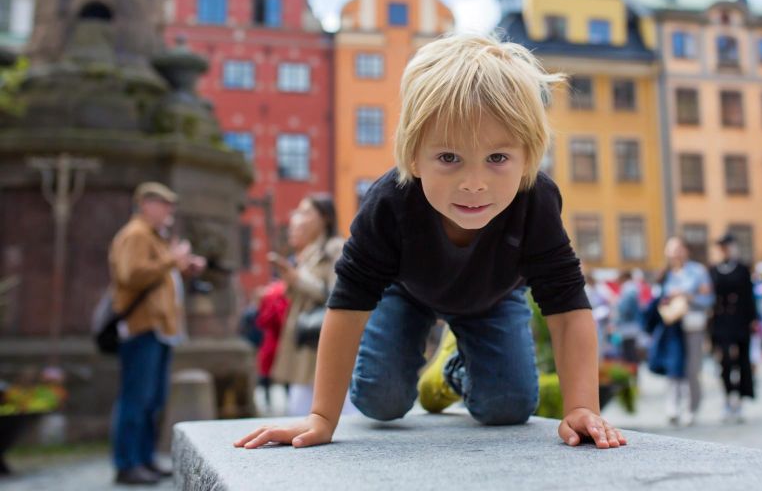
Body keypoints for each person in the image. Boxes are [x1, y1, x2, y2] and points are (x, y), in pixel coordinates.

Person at [235, 33, 626, 451]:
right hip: (405, 292)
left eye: (497, 158)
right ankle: (417, 362)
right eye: (449, 158)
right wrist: (322, 417)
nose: (474, 183)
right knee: (378, 402)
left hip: (494, 297)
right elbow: (347, 304)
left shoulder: (536, 199)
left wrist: (583, 407)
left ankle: (451, 368)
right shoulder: (388, 202)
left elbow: (567, 306)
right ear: (414, 155)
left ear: (528, 157)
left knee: (508, 407)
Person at [109, 182, 205, 486]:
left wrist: (183, 266)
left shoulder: (152, 236)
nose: (169, 211)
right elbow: (131, 274)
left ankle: (144, 458)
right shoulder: (136, 234)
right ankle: (128, 463)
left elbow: (157, 272)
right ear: (146, 204)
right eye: (164, 205)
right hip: (142, 328)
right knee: (136, 399)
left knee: (151, 399)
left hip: (159, 329)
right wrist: (171, 260)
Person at [269, 194, 344, 417]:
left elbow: (337, 294)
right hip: (305, 334)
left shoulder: (335, 247)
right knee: (300, 402)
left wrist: (297, 278)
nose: (298, 219)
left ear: (325, 218)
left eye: (306, 212)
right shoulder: (307, 251)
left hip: (319, 335)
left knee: (315, 402)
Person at [659, 236, 714, 427]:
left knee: (692, 368)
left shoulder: (697, 271)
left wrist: (688, 296)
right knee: (674, 367)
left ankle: (691, 408)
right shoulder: (665, 273)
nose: (675, 252)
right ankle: (673, 406)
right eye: (671, 248)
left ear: (686, 250)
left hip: (692, 324)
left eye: (678, 248)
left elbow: (708, 299)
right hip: (671, 325)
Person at [709, 233, 758, 423]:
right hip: (721, 321)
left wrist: (753, 320)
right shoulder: (713, 270)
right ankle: (728, 397)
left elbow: (749, 296)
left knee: (742, 361)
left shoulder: (742, 269)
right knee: (725, 361)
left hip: (740, 320)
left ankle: (740, 398)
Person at [254, 279, 289, 412]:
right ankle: (286, 399)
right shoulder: (281, 291)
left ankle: (267, 401)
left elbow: (262, 320)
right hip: (282, 339)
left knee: (267, 371)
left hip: (272, 339)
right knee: (285, 371)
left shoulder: (269, 293)